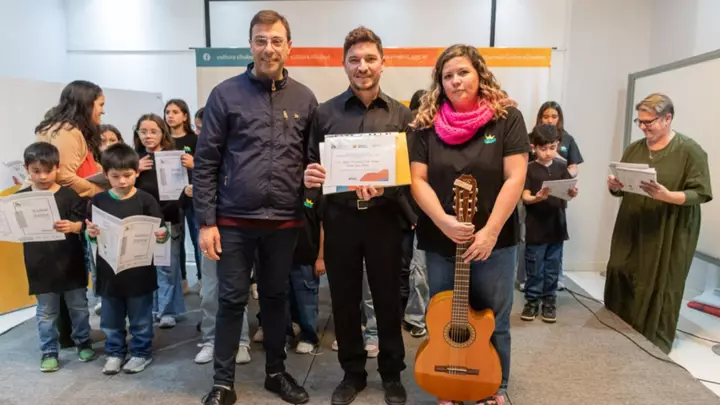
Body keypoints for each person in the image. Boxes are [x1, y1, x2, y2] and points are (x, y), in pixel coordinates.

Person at [194, 10, 318, 405]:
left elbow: (312, 160)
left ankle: (276, 374)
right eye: (261, 40)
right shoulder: (224, 94)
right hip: (233, 221)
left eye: (276, 40)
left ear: (289, 46)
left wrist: (310, 193)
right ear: (250, 45)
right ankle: (222, 383)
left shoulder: (305, 98)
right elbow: (206, 162)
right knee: (231, 299)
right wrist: (206, 222)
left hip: (283, 220)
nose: (268, 48)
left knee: (276, 298)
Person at [409, 44, 530, 405]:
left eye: (463, 72)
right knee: (444, 317)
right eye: (447, 75)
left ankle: (495, 386)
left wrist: (490, 231)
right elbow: (417, 179)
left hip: (495, 242)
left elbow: (516, 176)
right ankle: (448, 383)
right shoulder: (425, 123)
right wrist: (442, 221)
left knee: (495, 318)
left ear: (479, 74)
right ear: (439, 82)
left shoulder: (506, 118)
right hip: (441, 241)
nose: (456, 81)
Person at [304, 26, 411, 405]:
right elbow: (311, 165)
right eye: (354, 60)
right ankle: (352, 374)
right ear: (344, 64)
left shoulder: (403, 115)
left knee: (388, 299)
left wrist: (387, 188)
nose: (362, 66)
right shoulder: (324, 113)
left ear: (383, 63)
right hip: (341, 220)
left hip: (385, 220)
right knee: (345, 301)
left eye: (369, 59)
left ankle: (392, 373)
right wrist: (310, 177)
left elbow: (412, 176)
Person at [605, 93, 712, 354]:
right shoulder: (634, 149)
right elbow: (623, 188)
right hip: (633, 223)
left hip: (670, 227)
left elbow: (700, 193)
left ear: (667, 119)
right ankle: (621, 325)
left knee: (660, 279)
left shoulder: (690, 151)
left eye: (648, 122)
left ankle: (654, 337)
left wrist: (668, 196)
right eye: (639, 122)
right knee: (621, 267)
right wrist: (615, 186)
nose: (643, 127)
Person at [35, 80, 108, 349]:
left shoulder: (58, 128)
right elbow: (64, 175)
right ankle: (72, 336)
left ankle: (68, 334)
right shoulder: (67, 131)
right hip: (69, 208)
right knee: (69, 274)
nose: (102, 111)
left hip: (61, 207)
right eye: (100, 105)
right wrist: (97, 188)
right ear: (86, 103)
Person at [85, 143, 168, 375]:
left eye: (127, 175)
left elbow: (161, 230)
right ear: (105, 175)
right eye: (115, 176)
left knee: (141, 318)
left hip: (139, 270)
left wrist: (162, 234)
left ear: (137, 172)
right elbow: (90, 234)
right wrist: (90, 234)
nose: (122, 181)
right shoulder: (98, 201)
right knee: (111, 318)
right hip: (109, 271)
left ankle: (141, 352)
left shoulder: (146, 200)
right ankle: (115, 352)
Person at [21, 142, 96, 372]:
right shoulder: (20, 199)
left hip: (70, 261)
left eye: (48, 170)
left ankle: (83, 342)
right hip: (40, 265)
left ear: (58, 168)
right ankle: (49, 351)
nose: (43, 176)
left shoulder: (68, 195)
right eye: (36, 171)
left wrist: (73, 226)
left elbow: (84, 224)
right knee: (46, 311)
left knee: (79, 307)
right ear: (26, 169)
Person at [519, 124, 578, 323]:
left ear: (557, 145)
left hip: (556, 226)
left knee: (552, 267)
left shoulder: (561, 167)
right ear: (534, 147)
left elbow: (568, 192)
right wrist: (537, 198)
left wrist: (572, 193)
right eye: (543, 149)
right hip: (536, 227)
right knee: (534, 267)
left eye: (552, 148)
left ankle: (549, 300)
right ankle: (532, 301)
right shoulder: (529, 169)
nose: (548, 153)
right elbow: (525, 197)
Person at [132, 114, 187, 329]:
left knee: (167, 267)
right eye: (143, 131)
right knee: (147, 267)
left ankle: (167, 311)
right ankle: (155, 309)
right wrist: (135, 170)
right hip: (141, 221)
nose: (148, 136)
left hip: (169, 219)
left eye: (153, 131)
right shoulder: (133, 159)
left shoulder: (174, 157)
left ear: (163, 133)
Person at [165, 98, 201, 290]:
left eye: (175, 112)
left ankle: (202, 279)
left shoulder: (195, 139)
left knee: (198, 238)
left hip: (193, 196)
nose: (170, 116)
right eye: (167, 112)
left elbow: (207, 166)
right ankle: (182, 280)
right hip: (171, 197)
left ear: (185, 116)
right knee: (175, 241)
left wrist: (194, 164)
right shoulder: (164, 141)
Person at [403, 89, 429, 339]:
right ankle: (415, 317)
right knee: (417, 270)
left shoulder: (439, 136)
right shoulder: (407, 138)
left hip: (441, 214)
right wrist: (412, 216)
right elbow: (402, 183)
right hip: (413, 215)